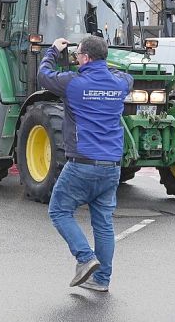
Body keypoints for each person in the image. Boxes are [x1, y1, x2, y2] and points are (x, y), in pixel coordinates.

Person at [39, 35, 133, 293]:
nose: (76, 58)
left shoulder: (73, 83)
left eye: (78, 54)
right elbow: (126, 76)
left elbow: (44, 75)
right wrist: (103, 65)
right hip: (112, 166)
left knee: (58, 211)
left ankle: (84, 257)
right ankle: (101, 280)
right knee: (103, 223)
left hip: (82, 163)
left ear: (86, 58)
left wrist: (54, 51)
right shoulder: (120, 83)